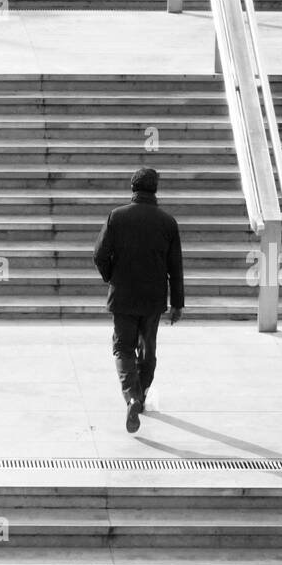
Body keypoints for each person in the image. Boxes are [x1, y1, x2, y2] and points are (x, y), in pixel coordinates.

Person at [92, 167, 184, 434]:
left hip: (123, 295)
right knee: (148, 349)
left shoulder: (117, 217)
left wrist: (112, 277)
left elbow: (99, 254)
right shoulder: (167, 223)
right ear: (155, 190)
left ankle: (131, 397)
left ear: (133, 188)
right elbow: (175, 267)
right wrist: (177, 303)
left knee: (122, 348)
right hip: (153, 298)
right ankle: (140, 396)